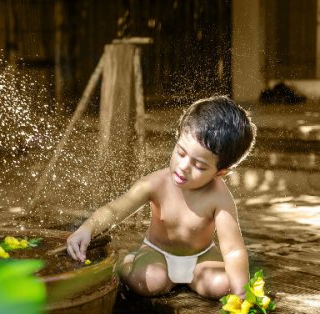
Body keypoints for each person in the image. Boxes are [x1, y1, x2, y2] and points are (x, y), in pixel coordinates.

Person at [66, 95, 256, 299]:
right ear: (177, 138)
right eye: (181, 153)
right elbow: (114, 210)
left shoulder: (219, 197)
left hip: (201, 258)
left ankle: (198, 280)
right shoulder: (156, 184)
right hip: (157, 253)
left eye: (200, 166)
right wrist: (87, 228)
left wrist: (241, 292)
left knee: (223, 285)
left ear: (220, 173)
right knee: (151, 280)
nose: (184, 167)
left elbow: (233, 250)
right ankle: (129, 261)